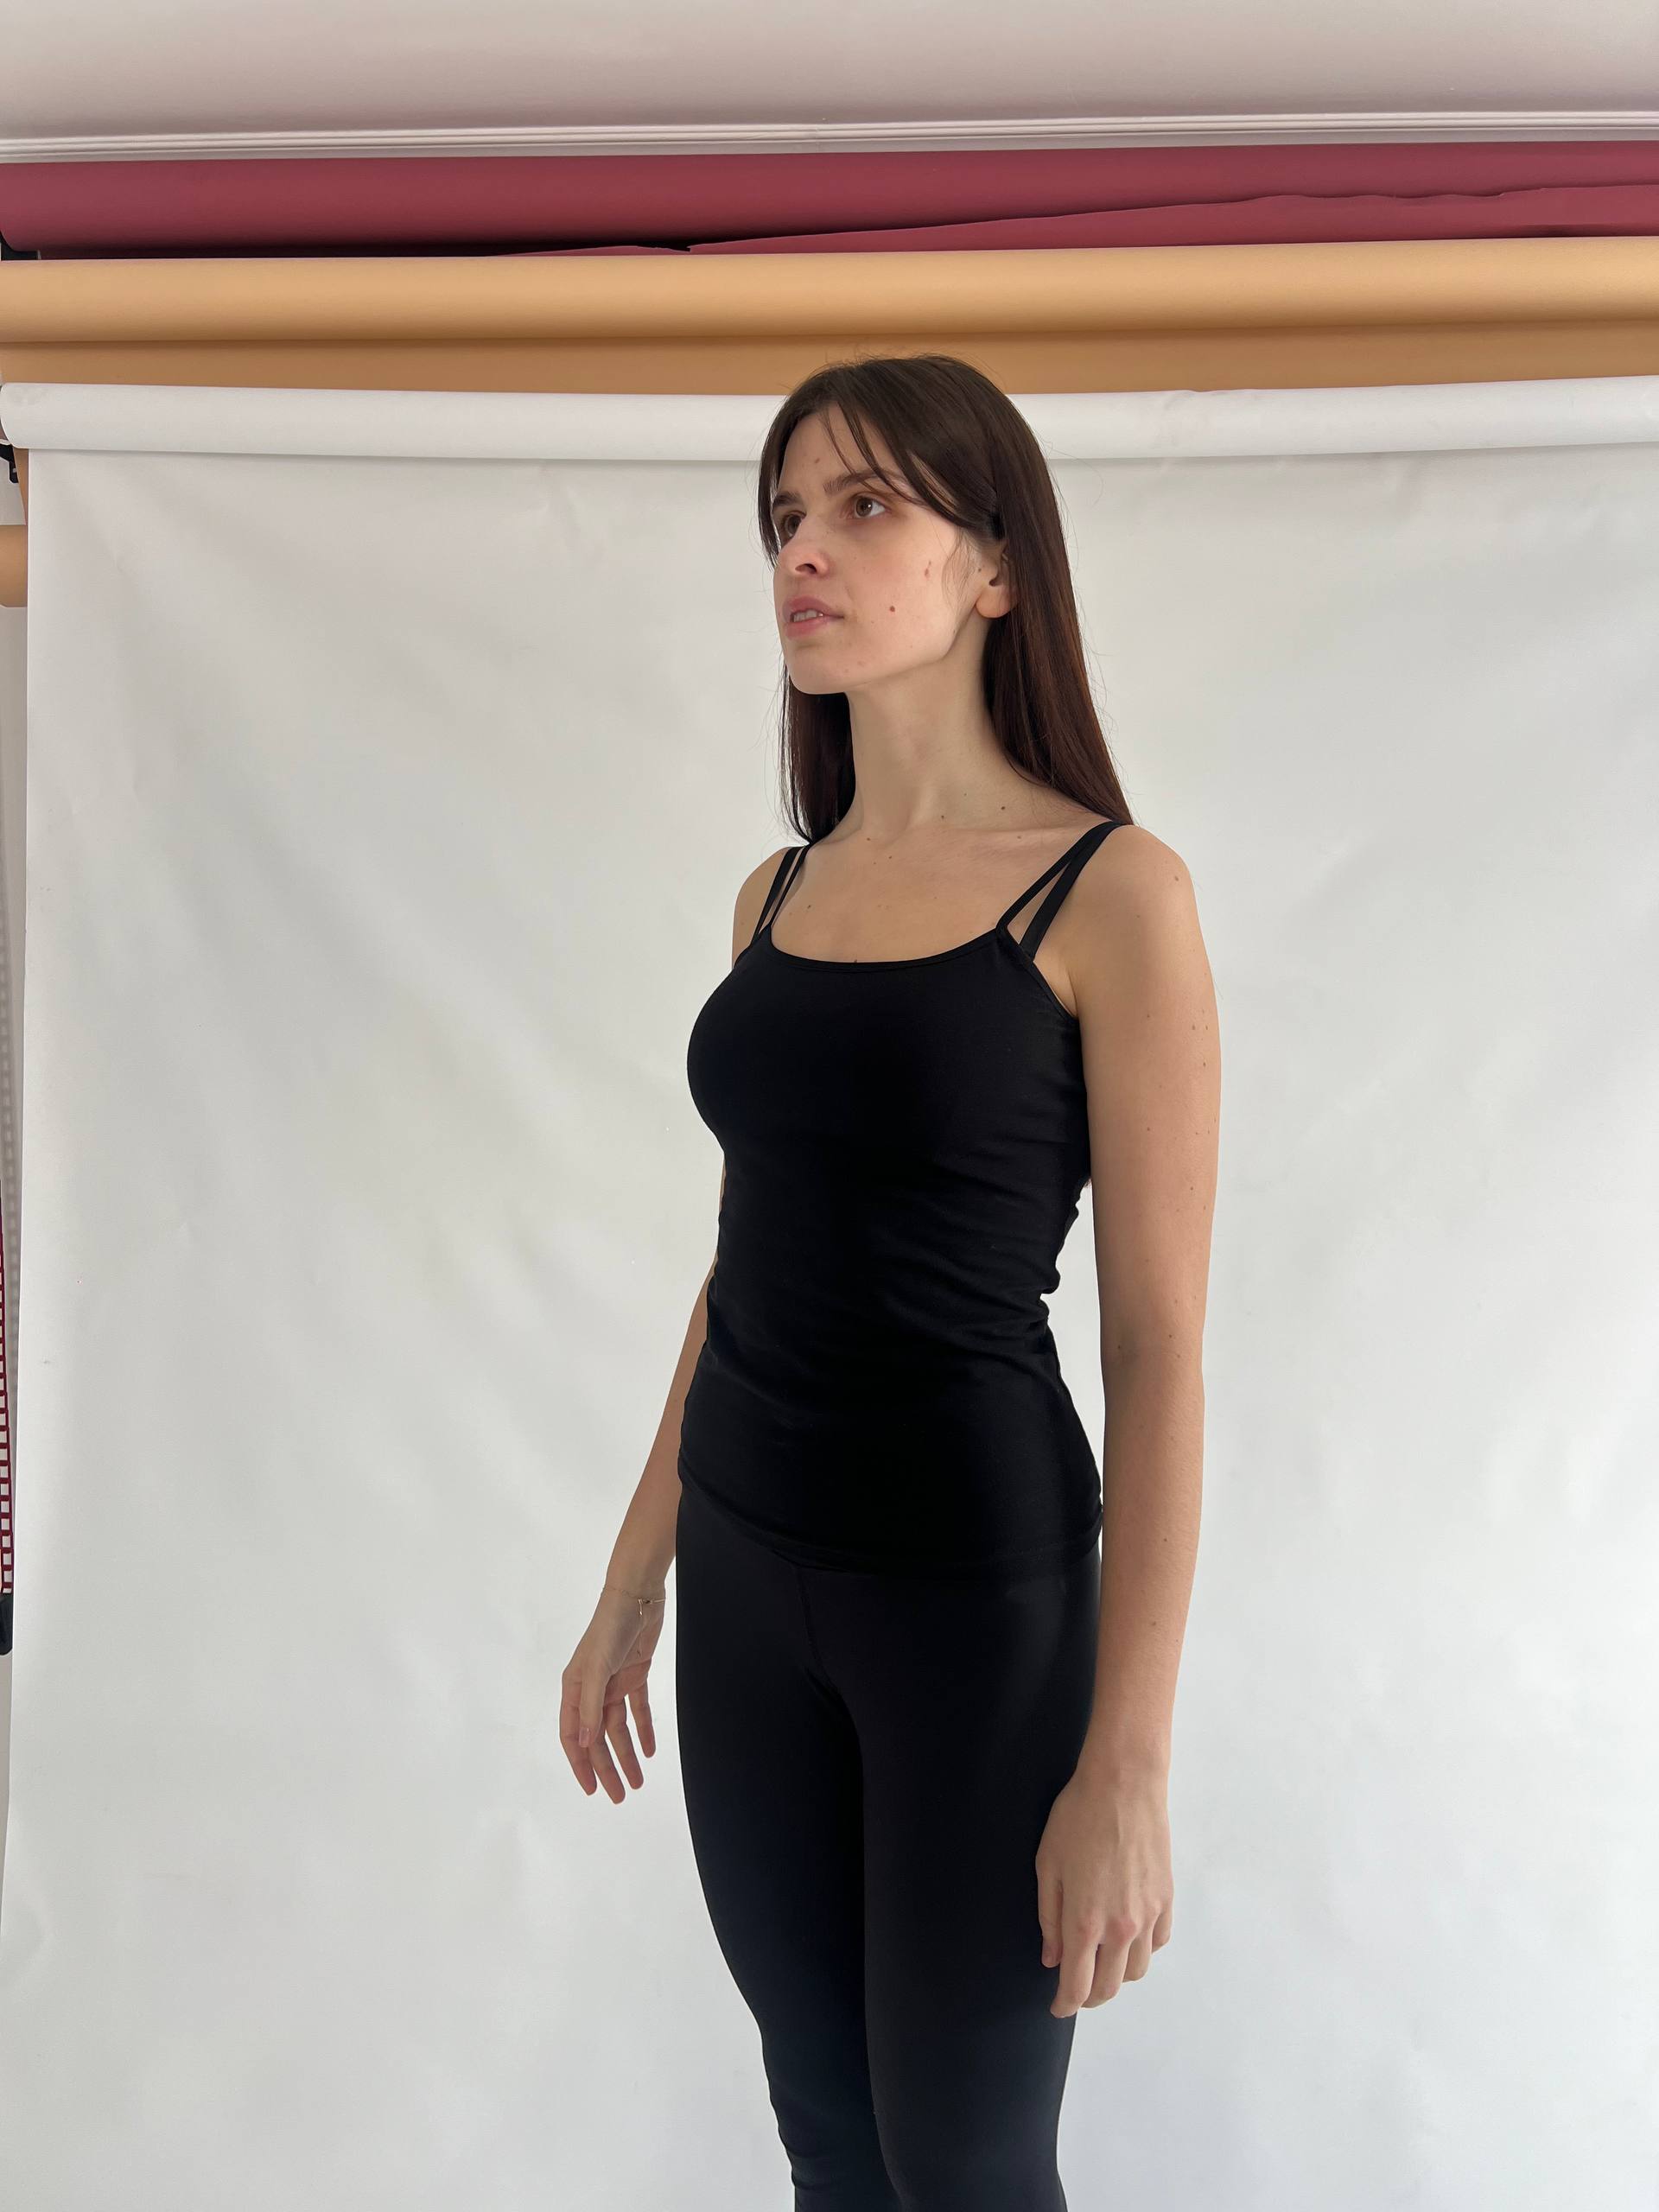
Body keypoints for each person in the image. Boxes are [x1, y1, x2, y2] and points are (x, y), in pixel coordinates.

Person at [561, 353, 1219, 2210]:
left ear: (996, 564)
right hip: (747, 1581)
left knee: (969, 2163)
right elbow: (745, 1272)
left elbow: (1159, 1346)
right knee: (830, 2136)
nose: (804, 552)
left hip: (974, 1609)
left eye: (864, 507)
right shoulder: (774, 898)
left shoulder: (1112, 895)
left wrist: (1129, 1760)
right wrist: (633, 1576)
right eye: (784, 515)